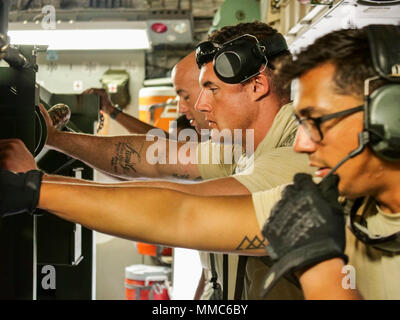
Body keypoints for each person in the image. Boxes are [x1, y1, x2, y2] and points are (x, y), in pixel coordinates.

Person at [0, 22, 314, 300]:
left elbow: (182, 211)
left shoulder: (300, 156)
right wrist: (54, 137)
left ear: (258, 85)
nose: (200, 105)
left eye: (211, 89)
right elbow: (151, 157)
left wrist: (35, 186)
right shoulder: (238, 146)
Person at [253, 25, 400, 299]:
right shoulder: (334, 201)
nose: (301, 144)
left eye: (316, 120)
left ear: (391, 114)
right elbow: (181, 214)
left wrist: (319, 267)